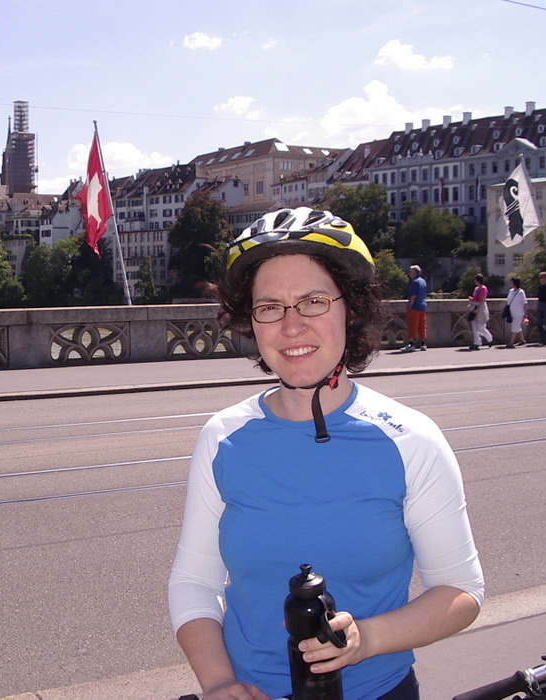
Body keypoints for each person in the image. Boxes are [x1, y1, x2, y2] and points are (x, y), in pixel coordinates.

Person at [168, 207, 484, 700]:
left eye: (313, 301)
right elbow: (193, 582)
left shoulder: (410, 440)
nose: (291, 326)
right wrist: (220, 682)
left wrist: (367, 640)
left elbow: (462, 593)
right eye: (270, 307)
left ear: (350, 310)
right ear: (252, 321)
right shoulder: (223, 437)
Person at [402, 265, 427, 352]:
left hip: (415, 306)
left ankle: (411, 344)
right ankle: (423, 343)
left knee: (412, 325)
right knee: (422, 325)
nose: (409, 274)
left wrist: (409, 306)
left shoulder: (414, 282)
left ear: (414, 273)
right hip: (422, 306)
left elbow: (413, 296)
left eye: (410, 272)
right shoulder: (423, 281)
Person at [467, 274, 492, 350]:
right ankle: (476, 342)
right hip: (475, 306)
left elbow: (483, 299)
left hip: (480, 307)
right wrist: (471, 299)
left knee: (480, 326)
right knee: (474, 326)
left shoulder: (483, 288)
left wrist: (478, 308)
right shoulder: (476, 289)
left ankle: (489, 338)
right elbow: (475, 298)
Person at [504, 277, 528, 348]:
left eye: (512, 283)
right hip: (512, 312)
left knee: (514, 326)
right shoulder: (510, 291)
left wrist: (525, 315)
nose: (511, 284)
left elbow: (525, 303)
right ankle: (522, 340)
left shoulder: (521, 292)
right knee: (517, 326)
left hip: (519, 313)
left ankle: (511, 342)